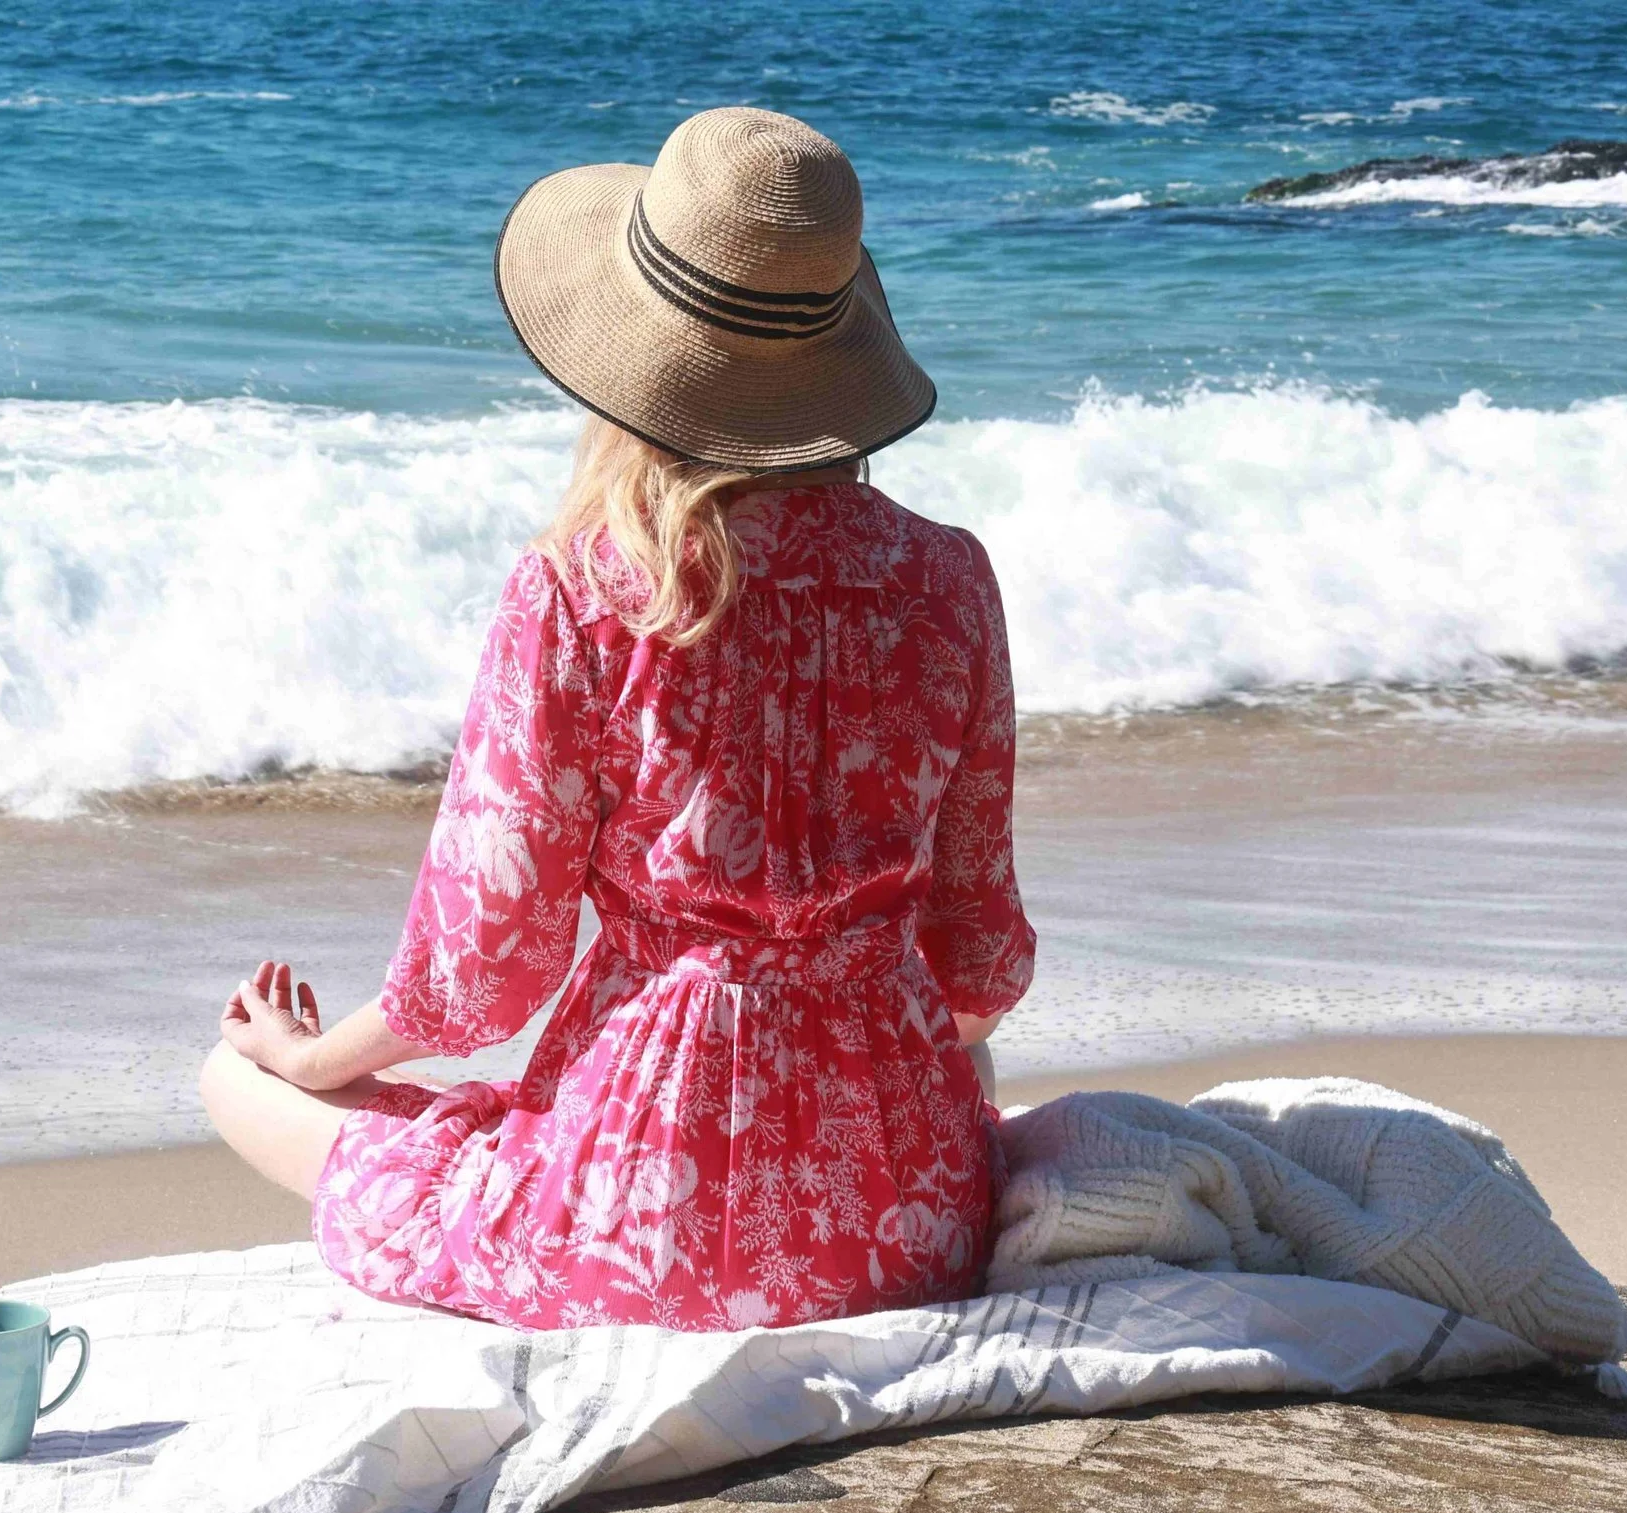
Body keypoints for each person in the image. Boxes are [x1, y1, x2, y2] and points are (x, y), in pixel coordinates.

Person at [199, 106, 1033, 1331]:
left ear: (634, 362)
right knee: (951, 1062)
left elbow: (482, 967)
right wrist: (864, 1062)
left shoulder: (584, 588)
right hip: (910, 1229)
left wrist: (307, 1059)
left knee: (230, 1075)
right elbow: (980, 958)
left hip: (645, 1228)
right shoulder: (949, 579)